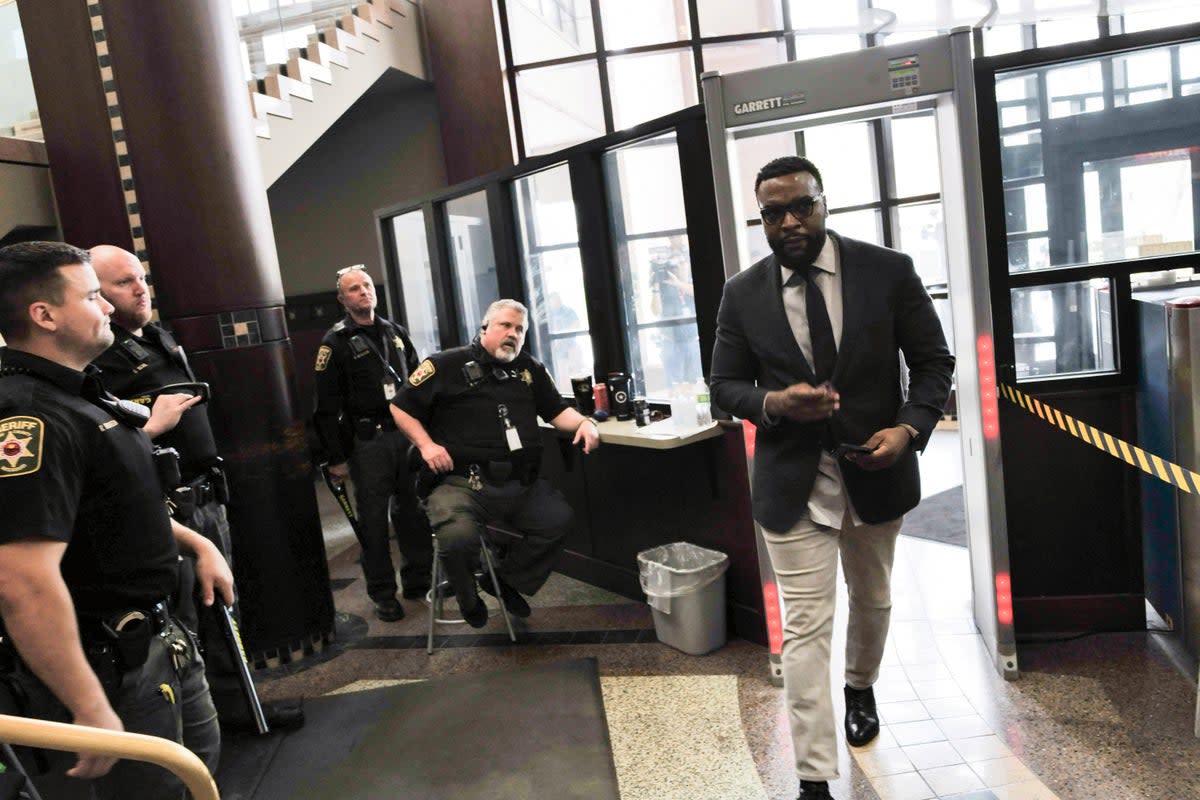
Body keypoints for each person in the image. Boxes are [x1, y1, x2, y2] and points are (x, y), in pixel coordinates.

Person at [709, 157, 954, 800]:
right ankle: (813, 776)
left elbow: (933, 364)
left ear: (824, 202)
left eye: (801, 206)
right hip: (792, 482)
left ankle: (861, 685)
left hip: (878, 470)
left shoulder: (888, 271)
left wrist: (909, 430)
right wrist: (773, 404)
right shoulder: (742, 292)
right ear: (760, 217)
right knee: (805, 626)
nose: (789, 221)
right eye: (773, 212)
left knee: (872, 601)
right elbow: (723, 385)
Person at [0, 241, 234, 798]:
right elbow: (22, 579)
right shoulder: (29, 415)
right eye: (91, 296)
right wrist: (89, 706)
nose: (107, 307)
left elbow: (111, 504)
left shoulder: (80, 393)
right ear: (45, 315)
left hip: (159, 636)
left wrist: (196, 543)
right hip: (110, 663)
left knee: (194, 775)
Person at [87, 244, 304, 734]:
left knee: (223, 604)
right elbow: (100, 453)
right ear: (95, 293)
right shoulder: (98, 357)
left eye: (140, 277)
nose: (139, 287)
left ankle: (237, 706)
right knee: (187, 619)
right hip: (163, 505)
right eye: (122, 282)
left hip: (203, 494)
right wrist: (154, 426)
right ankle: (199, 723)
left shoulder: (157, 337)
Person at [390, 299, 600, 628]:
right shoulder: (445, 364)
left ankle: (505, 581)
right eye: (505, 326)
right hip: (461, 485)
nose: (513, 334)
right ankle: (467, 597)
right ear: (485, 327)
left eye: (520, 330)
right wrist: (426, 445)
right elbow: (400, 406)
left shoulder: (529, 369)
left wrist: (586, 423)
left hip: (518, 485)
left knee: (557, 519)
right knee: (457, 537)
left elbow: (558, 412)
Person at [313, 264, 432, 621]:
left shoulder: (394, 332)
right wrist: (335, 458)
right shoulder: (334, 343)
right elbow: (324, 409)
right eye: (353, 289)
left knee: (412, 513)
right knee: (375, 524)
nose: (363, 292)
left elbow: (416, 381)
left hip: (404, 436)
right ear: (342, 299)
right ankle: (383, 593)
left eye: (366, 286)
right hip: (368, 443)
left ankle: (417, 580)